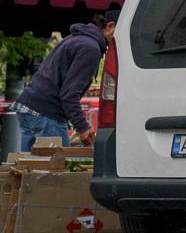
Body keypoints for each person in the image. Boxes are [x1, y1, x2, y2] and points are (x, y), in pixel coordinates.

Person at [13, 10, 118, 151]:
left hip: (28, 106)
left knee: (29, 169)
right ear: (110, 26)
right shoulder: (90, 49)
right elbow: (69, 94)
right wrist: (83, 127)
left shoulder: (77, 39)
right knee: (58, 169)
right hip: (47, 113)